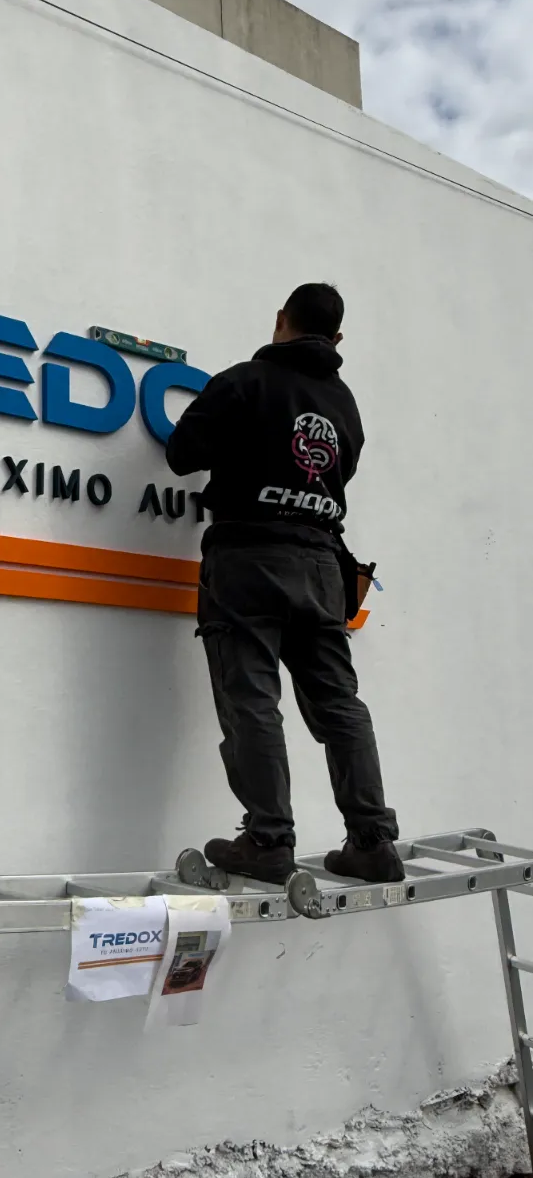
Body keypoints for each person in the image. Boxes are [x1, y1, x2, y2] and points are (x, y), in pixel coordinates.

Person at [165, 283, 403, 885]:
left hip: (248, 557)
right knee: (339, 703)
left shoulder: (245, 382)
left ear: (280, 321)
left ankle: (269, 840)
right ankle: (373, 841)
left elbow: (181, 453)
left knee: (251, 697)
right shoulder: (345, 406)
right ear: (337, 339)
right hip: (322, 563)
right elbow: (336, 470)